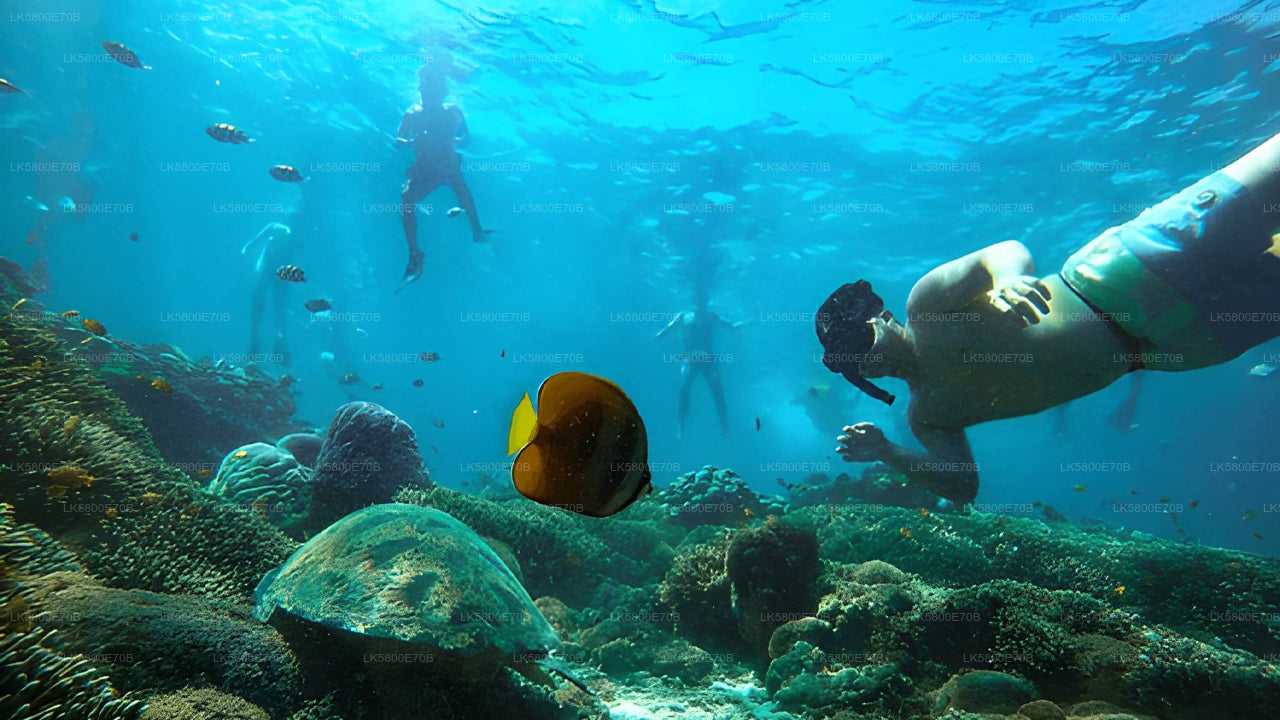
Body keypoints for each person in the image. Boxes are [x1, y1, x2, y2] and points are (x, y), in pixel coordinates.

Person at [820, 132, 1280, 504]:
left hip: (1128, 271)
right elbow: (962, 487)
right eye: (850, 365)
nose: (865, 363)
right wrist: (887, 452)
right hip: (1182, 345)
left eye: (859, 344)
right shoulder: (929, 416)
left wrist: (1007, 281)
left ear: (881, 317)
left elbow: (1004, 251)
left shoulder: (926, 306)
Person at [396, 62, 489, 287]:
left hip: (448, 167)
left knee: (461, 190)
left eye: (431, 89)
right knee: (407, 197)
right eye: (423, 89)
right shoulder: (412, 115)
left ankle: (477, 229)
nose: (427, 94)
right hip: (426, 170)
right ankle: (414, 253)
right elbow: (398, 142)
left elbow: (466, 137)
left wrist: (454, 140)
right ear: (420, 90)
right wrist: (410, 142)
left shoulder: (453, 112)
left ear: (441, 91)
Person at [657, 282, 743, 439]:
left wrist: (739, 326)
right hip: (693, 359)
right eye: (699, 298)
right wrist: (661, 334)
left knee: (715, 392)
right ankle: (682, 428)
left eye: (702, 298)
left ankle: (723, 428)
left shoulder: (708, 316)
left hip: (705, 359)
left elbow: (730, 326)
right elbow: (666, 330)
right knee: (688, 391)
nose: (701, 301)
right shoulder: (686, 316)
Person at [242, 221, 299, 365]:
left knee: (273, 306)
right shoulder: (278, 229)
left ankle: (274, 340)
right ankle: (263, 340)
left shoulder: (280, 230)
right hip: (268, 269)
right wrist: (246, 249)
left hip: (276, 272)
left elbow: (253, 242)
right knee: (268, 306)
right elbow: (254, 241)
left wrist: (246, 249)